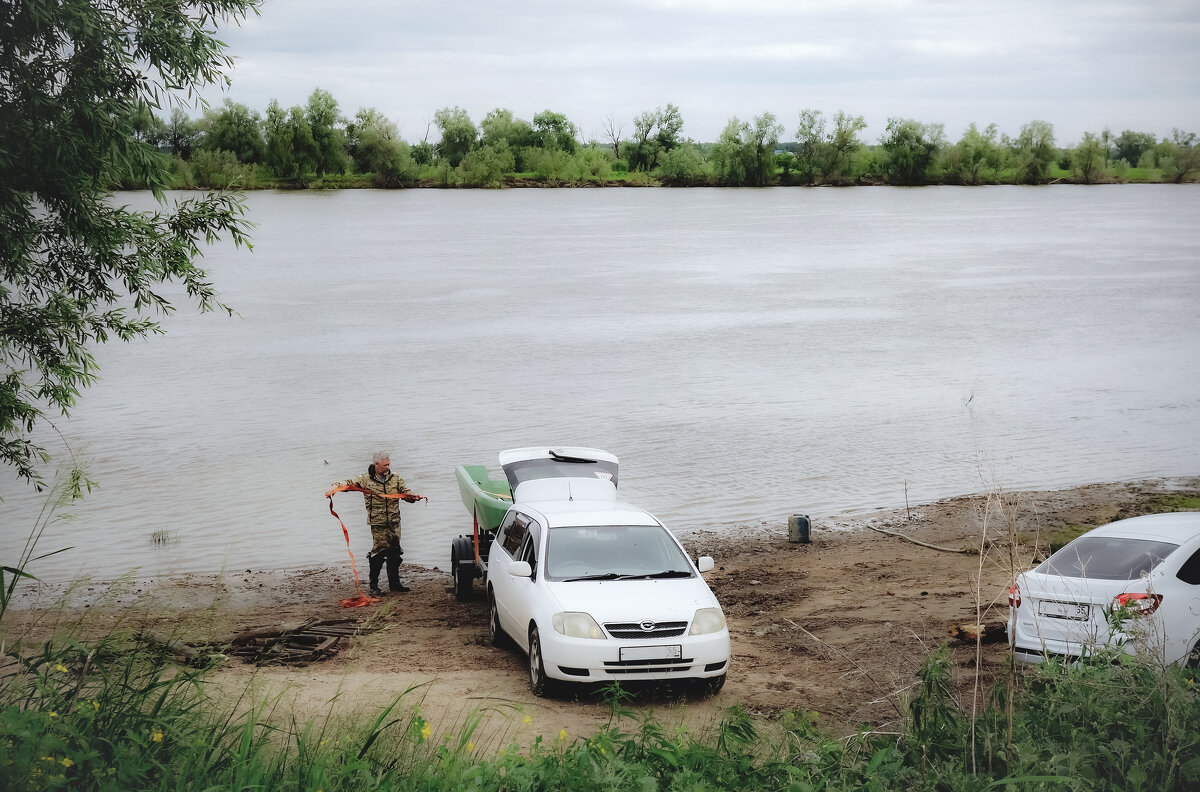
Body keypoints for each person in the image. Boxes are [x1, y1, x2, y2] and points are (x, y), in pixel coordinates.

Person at [325, 451, 420, 595]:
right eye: (384, 465)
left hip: (394, 522)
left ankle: (395, 584)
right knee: (378, 555)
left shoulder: (396, 478)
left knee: (395, 554)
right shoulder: (365, 479)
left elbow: (405, 493)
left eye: (388, 464)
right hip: (378, 523)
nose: (387, 467)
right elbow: (348, 483)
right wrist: (334, 487)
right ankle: (374, 587)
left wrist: (412, 497)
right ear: (376, 464)